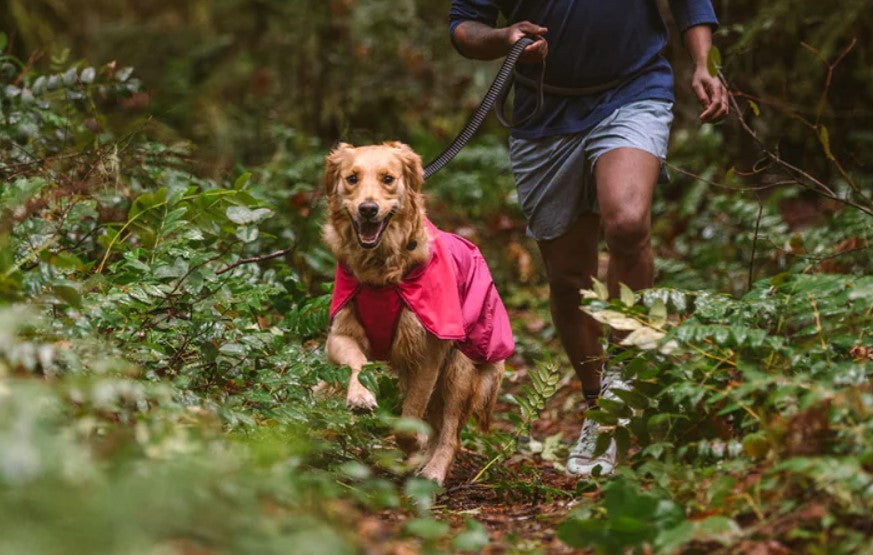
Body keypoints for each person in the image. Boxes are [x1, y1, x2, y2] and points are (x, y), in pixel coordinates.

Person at [449, 0, 728, 475]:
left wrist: (702, 64)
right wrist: (504, 38)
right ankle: (599, 405)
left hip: (633, 90)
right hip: (542, 112)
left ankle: (625, 374)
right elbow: (462, 26)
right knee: (567, 278)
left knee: (627, 220)